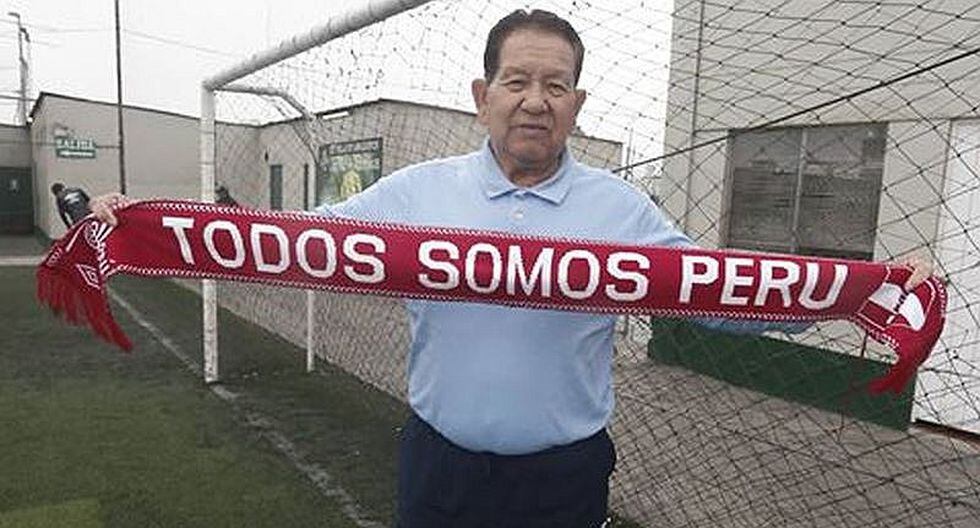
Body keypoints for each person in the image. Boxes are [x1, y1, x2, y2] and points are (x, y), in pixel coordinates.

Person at [91, 9, 934, 527]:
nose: (536, 100)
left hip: (562, 480)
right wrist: (142, 227)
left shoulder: (622, 211)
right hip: (440, 467)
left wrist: (863, 291)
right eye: (517, 80)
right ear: (482, 94)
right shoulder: (417, 192)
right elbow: (293, 243)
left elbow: (717, 296)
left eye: (556, 86)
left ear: (577, 104)